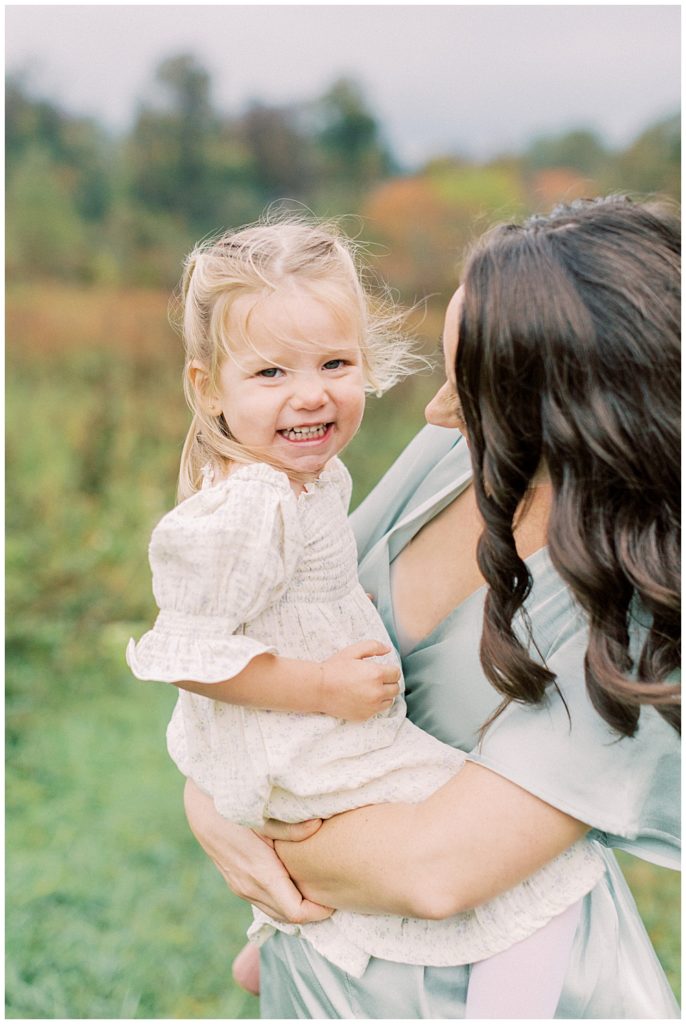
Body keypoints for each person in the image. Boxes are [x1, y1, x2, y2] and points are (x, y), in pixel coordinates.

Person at [181, 197, 681, 1019]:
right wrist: (210, 801)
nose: (435, 410)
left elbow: (434, 870)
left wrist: (235, 817)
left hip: (506, 992)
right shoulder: (455, 457)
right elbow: (283, 629)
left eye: (471, 387)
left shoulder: (640, 607)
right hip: (332, 973)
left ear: (573, 404)